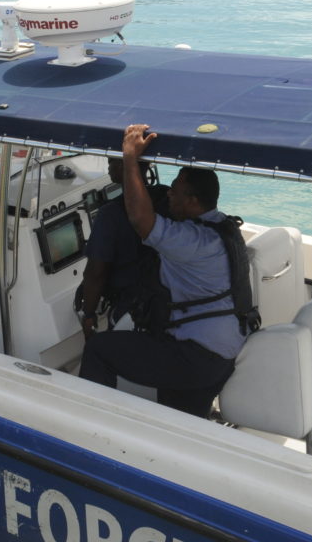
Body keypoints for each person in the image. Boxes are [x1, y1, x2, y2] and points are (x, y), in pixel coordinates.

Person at [79, 124, 248, 418]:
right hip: (224, 348)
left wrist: (130, 157)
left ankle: (90, 426)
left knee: (99, 349)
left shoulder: (192, 242)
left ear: (193, 202)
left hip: (196, 356)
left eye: (177, 192)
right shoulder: (222, 227)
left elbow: (140, 220)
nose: (168, 195)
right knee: (181, 420)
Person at [78, 158, 167, 339]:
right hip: (167, 299)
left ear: (122, 166)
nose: (108, 167)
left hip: (132, 305)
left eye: (111, 162)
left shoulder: (109, 215)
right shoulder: (166, 197)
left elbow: (96, 272)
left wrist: (88, 313)